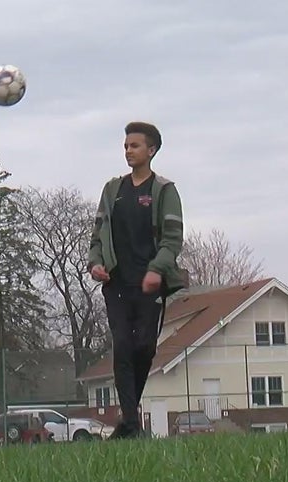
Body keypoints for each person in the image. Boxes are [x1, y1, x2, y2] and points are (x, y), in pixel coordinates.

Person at [88, 121, 186, 439]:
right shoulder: (112, 190)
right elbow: (98, 234)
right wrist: (96, 263)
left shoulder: (164, 191)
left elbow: (173, 239)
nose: (128, 150)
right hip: (117, 284)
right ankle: (131, 423)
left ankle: (128, 421)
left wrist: (156, 270)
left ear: (151, 150)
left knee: (144, 348)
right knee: (123, 347)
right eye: (126, 145)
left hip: (150, 285)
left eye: (135, 145)